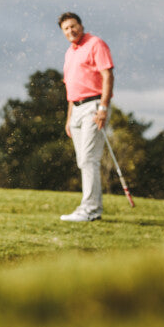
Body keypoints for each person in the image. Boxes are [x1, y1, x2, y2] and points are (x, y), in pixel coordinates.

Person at [58, 12, 114, 222]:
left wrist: (104, 108)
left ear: (81, 26)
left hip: (94, 105)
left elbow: (107, 75)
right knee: (83, 161)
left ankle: (90, 209)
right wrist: (69, 118)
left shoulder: (96, 44)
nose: (70, 31)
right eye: (66, 28)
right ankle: (91, 207)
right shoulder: (69, 53)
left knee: (89, 159)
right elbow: (72, 88)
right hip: (77, 109)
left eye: (73, 26)